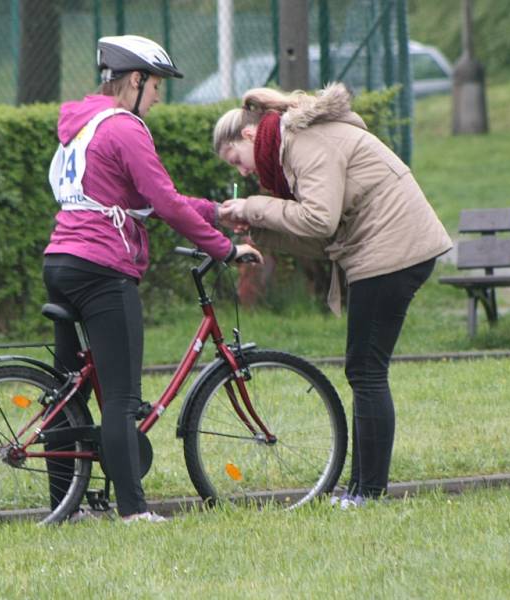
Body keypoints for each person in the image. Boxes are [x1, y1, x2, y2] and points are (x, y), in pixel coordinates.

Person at [43, 35, 261, 523]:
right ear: (135, 81)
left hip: (61, 261)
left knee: (69, 394)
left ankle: (65, 506)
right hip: (103, 270)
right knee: (120, 398)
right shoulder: (126, 127)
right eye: (157, 86)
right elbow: (162, 202)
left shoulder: (82, 125)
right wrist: (225, 248)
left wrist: (217, 212)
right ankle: (134, 512)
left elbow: (142, 200)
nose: (159, 97)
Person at [214, 82, 451, 507]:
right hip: (384, 249)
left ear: (249, 136)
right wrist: (260, 230)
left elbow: (319, 220)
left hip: (394, 249)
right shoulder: (290, 146)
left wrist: (252, 207)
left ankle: (368, 493)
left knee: (366, 371)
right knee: (363, 371)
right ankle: (360, 489)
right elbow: (322, 241)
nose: (243, 173)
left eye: (237, 161)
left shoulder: (303, 140)